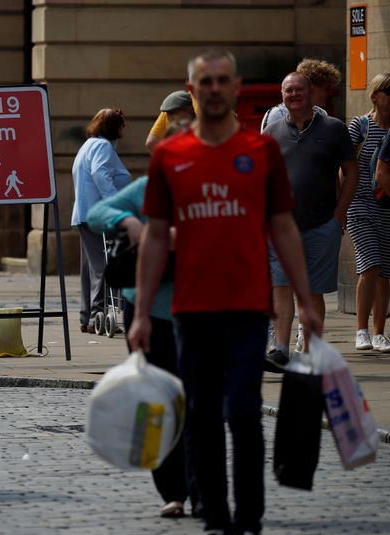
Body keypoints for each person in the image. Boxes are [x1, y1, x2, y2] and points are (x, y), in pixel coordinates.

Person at [128, 49, 322, 535]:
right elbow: (154, 236)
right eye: (204, 82)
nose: (213, 89)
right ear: (192, 92)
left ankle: (249, 517)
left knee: (242, 411)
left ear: (235, 88)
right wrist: (142, 312)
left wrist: (303, 300)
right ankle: (215, 515)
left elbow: (282, 227)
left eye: (222, 81)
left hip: (247, 308)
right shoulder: (171, 156)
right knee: (202, 415)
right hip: (190, 310)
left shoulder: (261, 152)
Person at [86, 120, 197, 520]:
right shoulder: (151, 187)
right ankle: (173, 493)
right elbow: (98, 211)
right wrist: (129, 221)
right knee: (158, 401)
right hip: (148, 312)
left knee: (198, 403)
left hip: (199, 311)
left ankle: (200, 488)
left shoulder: (213, 189)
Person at [261, 72, 357, 371]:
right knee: (281, 286)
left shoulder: (334, 129)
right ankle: (280, 349)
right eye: (288, 90)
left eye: (299, 89)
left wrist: (339, 214)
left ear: (311, 92)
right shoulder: (271, 132)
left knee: (312, 292)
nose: (294, 95)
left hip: (321, 224)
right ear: (282, 95)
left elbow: (351, 173)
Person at [71, 108, 131, 333]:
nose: (124, 128)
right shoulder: (102, 147)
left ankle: (87, 317)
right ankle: (98, 312)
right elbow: (100, 173)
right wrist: (113, 204)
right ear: (114, 127)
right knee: (102, 265)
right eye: (122, 124)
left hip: (84, 213)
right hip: (99, 213)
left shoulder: (88, 145)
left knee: (89, 267)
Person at [346, 73, 390, 352]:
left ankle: (379, 333)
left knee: (385, 271)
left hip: (387, 206)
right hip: (359, 202)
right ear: (375, 95)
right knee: (371, 263)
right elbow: (344, 168)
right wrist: (340, 204)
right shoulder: (359, 126)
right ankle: (361, 330)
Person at [260, 58, 340, 132]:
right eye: (326, 88)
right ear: (312, 87)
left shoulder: (322, 113)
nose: (328, 92)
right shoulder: (278, 114)